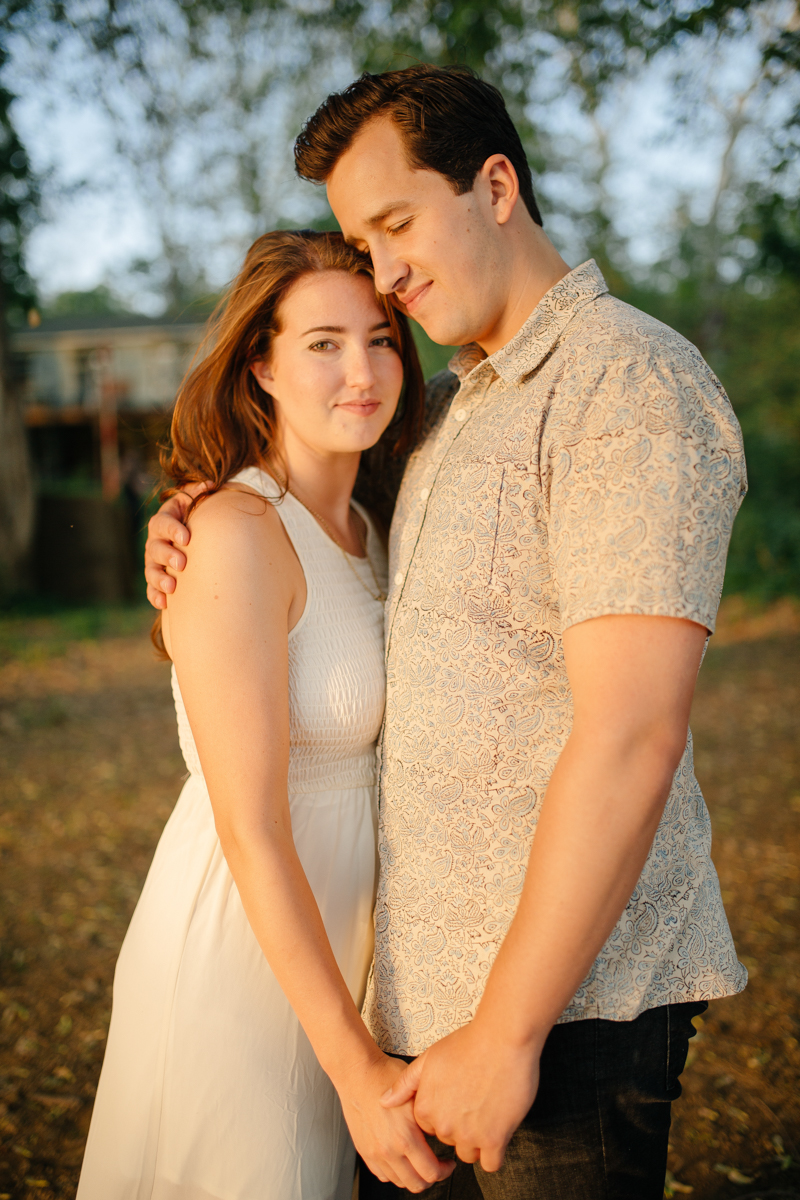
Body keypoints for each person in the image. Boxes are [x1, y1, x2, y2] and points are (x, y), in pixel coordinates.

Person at [145, 67, 748, 1199]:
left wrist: (507, 1032)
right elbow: (301, 526)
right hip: (415, 1011)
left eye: (395, 224)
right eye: (361, 245)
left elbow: (629, 737)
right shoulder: (448, 411)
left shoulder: (623, 383)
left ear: (496, 184)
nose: (386, 273)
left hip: (562, 1013)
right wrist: (189, 519)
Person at [78, 229, 459, 1199]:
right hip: (242, 948)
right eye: (322, 344)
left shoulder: (376, 522)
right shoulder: (235, 533)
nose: (363, 371)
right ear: (261, 365)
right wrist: (350, 1064)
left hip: (352, 946)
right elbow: (249, 828)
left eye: (379, 338)